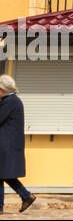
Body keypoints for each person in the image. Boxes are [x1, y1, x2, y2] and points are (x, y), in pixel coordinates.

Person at [0, 75, 36, 213]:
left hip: (6, 145)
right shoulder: (10, 100)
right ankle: (26, 196)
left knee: (3, 175)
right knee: (3, 175)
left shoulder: (10, 101)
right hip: (6, 144)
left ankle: (26, 195)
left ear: (3, 89)